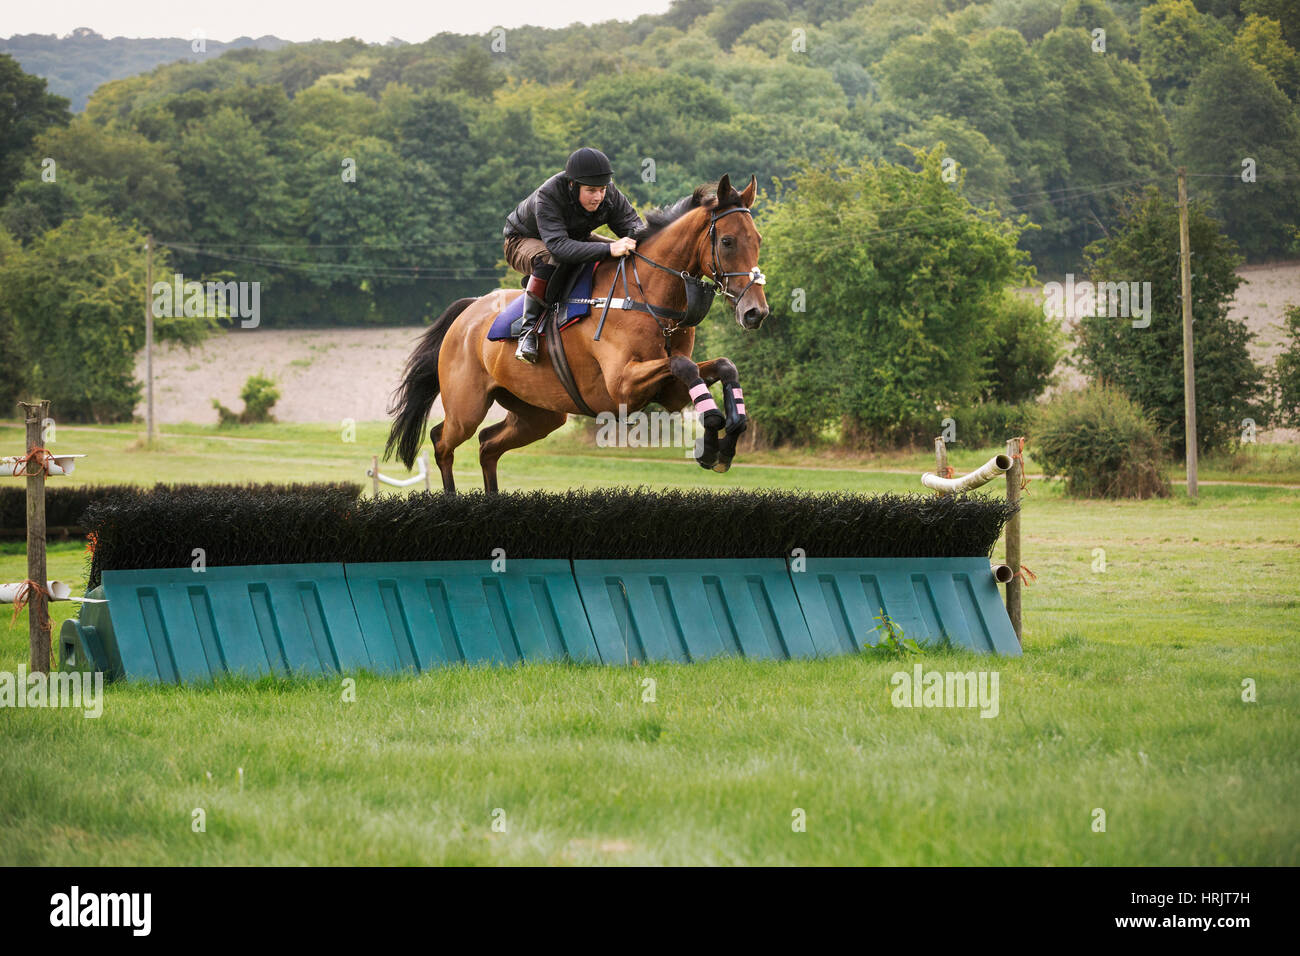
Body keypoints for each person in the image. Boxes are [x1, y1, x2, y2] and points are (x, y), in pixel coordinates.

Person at [502, 147, 645, 363]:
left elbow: (636, 229)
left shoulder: (610, 194)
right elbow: (559, 247)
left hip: (572, 238)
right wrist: (609, 248)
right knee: (550, 258)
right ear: (572, 184)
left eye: (602, 189)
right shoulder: (548, 195)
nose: (598, 197)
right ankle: (528, 332)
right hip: (521, 240)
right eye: (591, 191)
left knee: (629, 250)